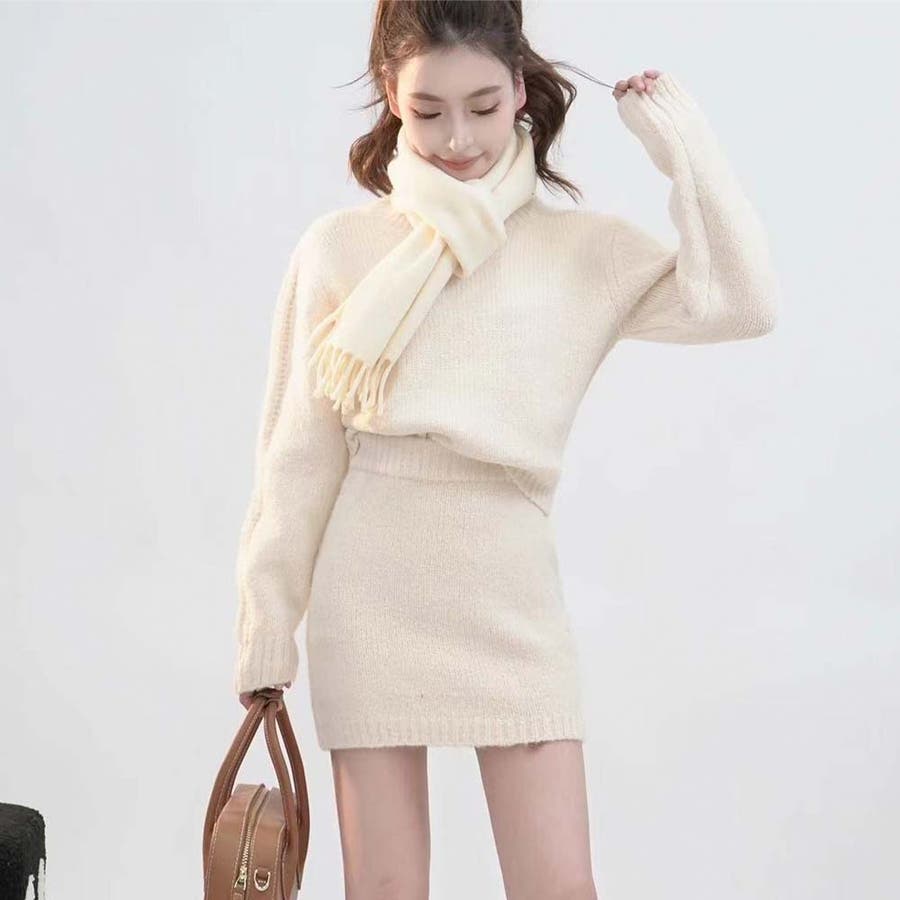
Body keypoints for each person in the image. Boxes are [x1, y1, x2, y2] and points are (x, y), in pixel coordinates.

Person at [233, 2, 778, 897]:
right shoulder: (339, 249)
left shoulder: (582, 251)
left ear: (521, 89)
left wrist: (679, 142)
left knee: (558, 888)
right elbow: (296, 455)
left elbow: (743, 304)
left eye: (483, 106)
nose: (458, 139)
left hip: (509, 587)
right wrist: (264, 634)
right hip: (369, 590)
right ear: (391, 96)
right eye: (428, 110)